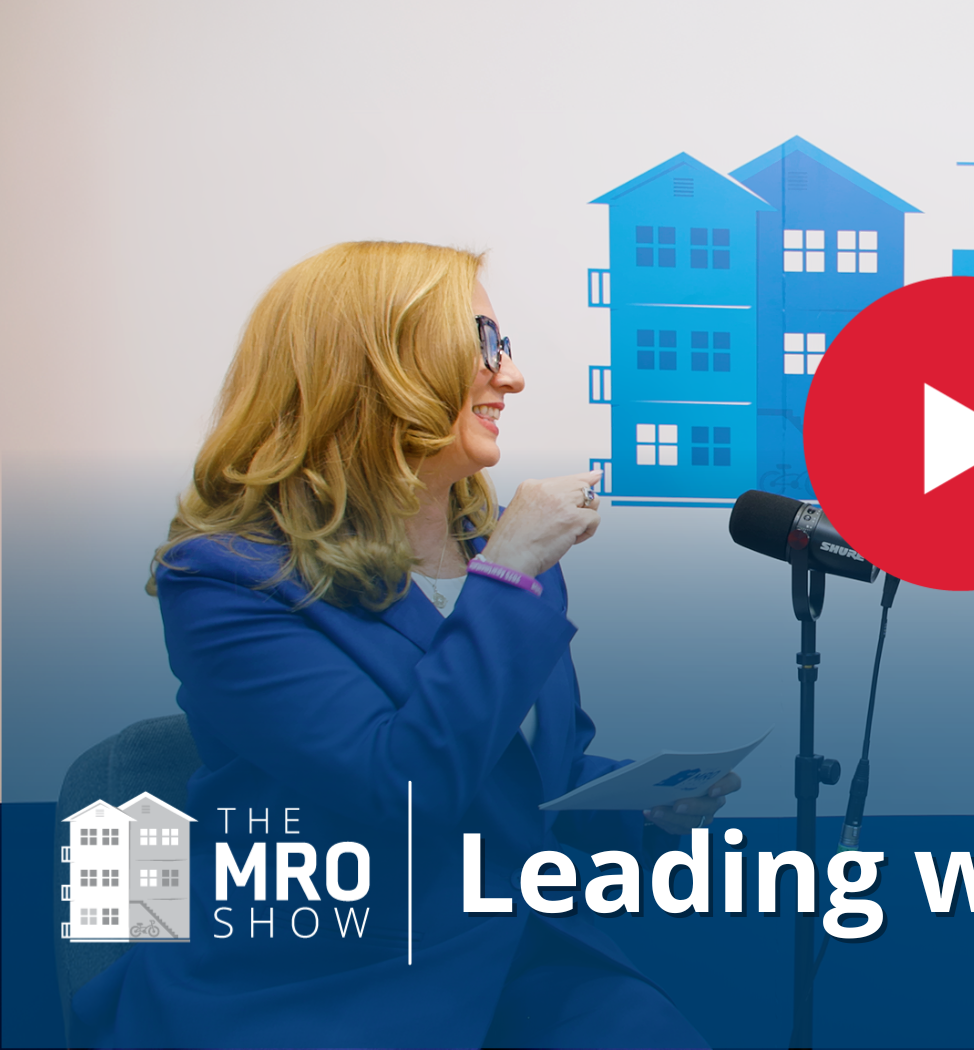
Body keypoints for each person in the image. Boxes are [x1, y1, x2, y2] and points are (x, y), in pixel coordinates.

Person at [75, 241, 738, 1048]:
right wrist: (507, 576)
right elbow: (403, 790)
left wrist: (636, 804)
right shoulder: (227, 580)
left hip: (514, 959)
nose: (512, 376)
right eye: (483, 345)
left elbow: (521, 776)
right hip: (326, 983)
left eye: (504, 345)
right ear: (375, 368)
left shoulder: (501, 553)